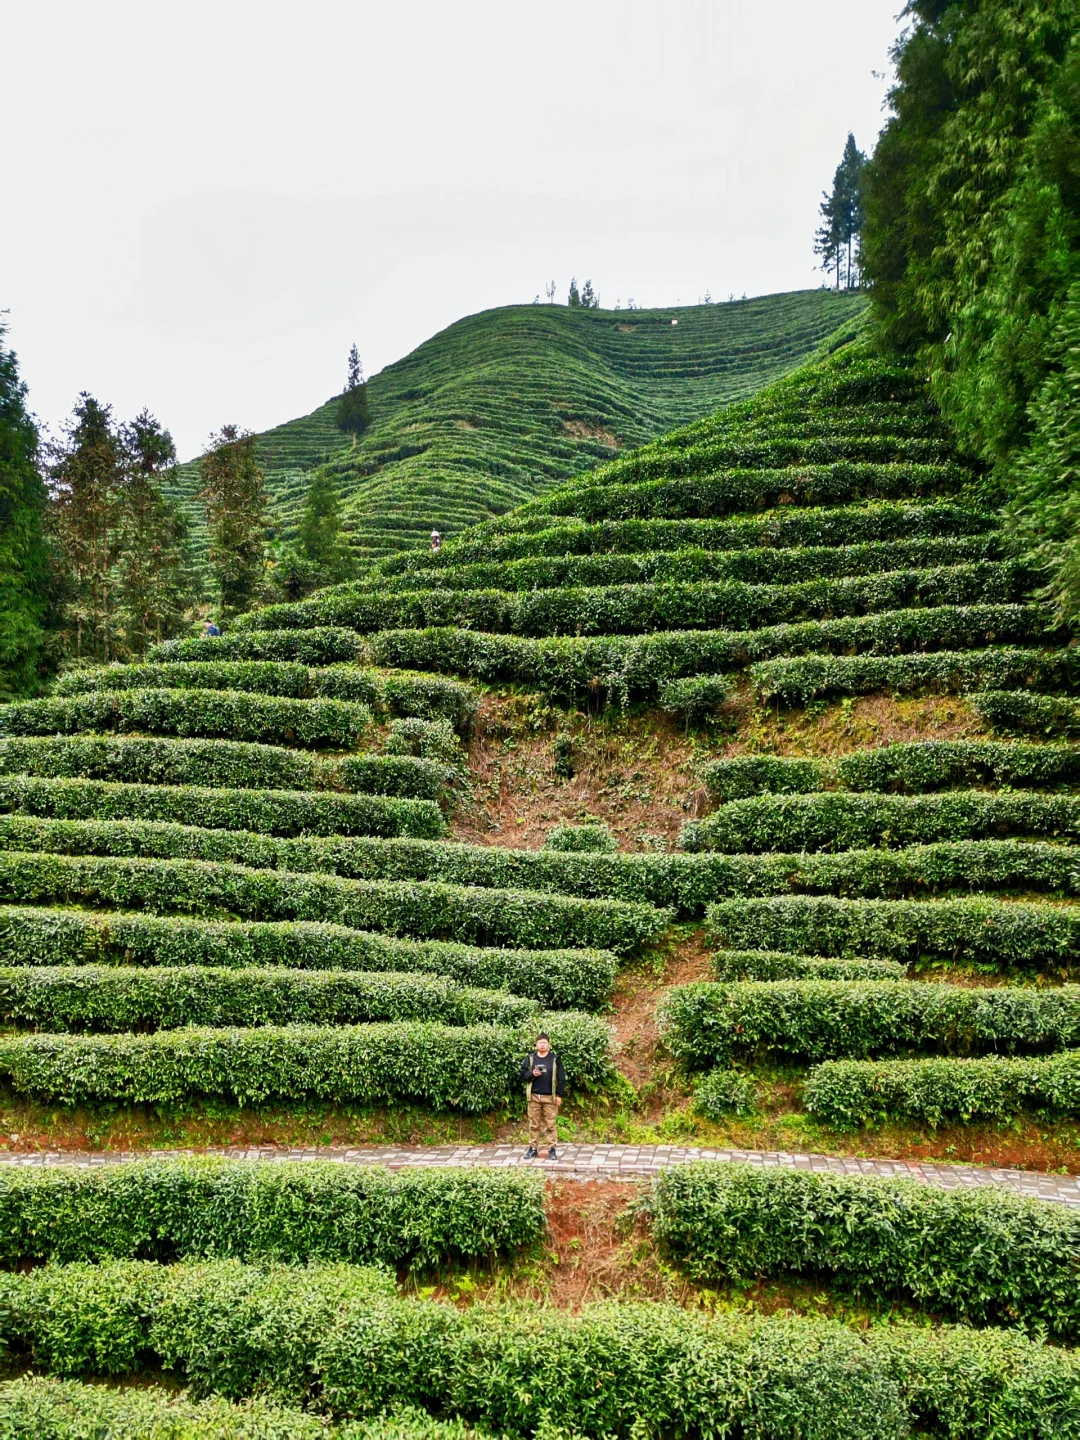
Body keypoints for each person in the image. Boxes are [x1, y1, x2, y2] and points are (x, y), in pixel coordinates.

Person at [520, 1032, 565, 1160]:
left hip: (550, 1097)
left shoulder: (555, 1059)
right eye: (540, 1042)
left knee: (551, 1124)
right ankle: (533, 1148)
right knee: (534, 1124)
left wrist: (559, 1095)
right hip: (534, 1097)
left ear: (549, 1044)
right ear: (536, 1044)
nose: (542, 1045)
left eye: (545, 1042)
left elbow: (561, 1078)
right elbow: (523, 1075)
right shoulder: (530, 1058)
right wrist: (532, 1073)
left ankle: (552, 1149)